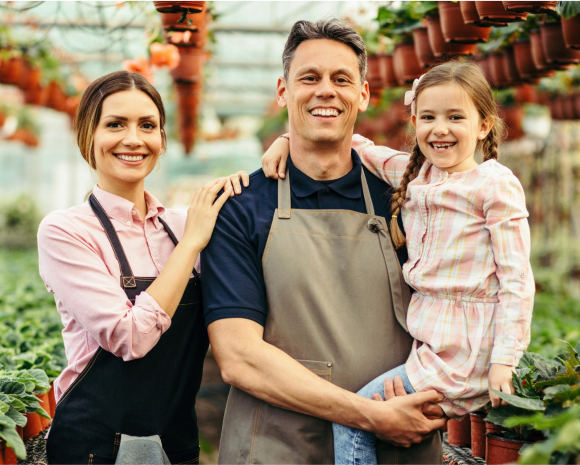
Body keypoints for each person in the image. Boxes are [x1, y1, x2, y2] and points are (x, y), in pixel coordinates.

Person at [261, 60, 535, 465]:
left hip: (466, 352)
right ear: (414, 122)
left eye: (455, 117)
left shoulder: (494, 185)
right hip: (433, 347)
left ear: (483, 126)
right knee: (379, 422)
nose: (439, 129)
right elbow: (362, 148)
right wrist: (287, 139)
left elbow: (517, 281)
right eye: (428, 117)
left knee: (354, 417)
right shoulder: (417, 176)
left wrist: (503, 362)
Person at [201, 19, 446, 465]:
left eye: (341, 79)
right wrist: (371, 416)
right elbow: (238, 357)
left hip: (397, 444)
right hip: (277, 447)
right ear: (283, 91)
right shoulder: (240, 208)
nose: (325, 91)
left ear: (364, 94)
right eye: (309, 78)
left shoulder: (407, 204)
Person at [38, 70, 248, 464]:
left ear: (161, 140)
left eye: (147, 125)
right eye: (115, 124)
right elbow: (128, 338)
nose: (133, 138)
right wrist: (191, 245)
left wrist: (283, 150)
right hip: (92, 446)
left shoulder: (184, 226)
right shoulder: (66, 230)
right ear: (90, 136)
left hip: (175, 440)